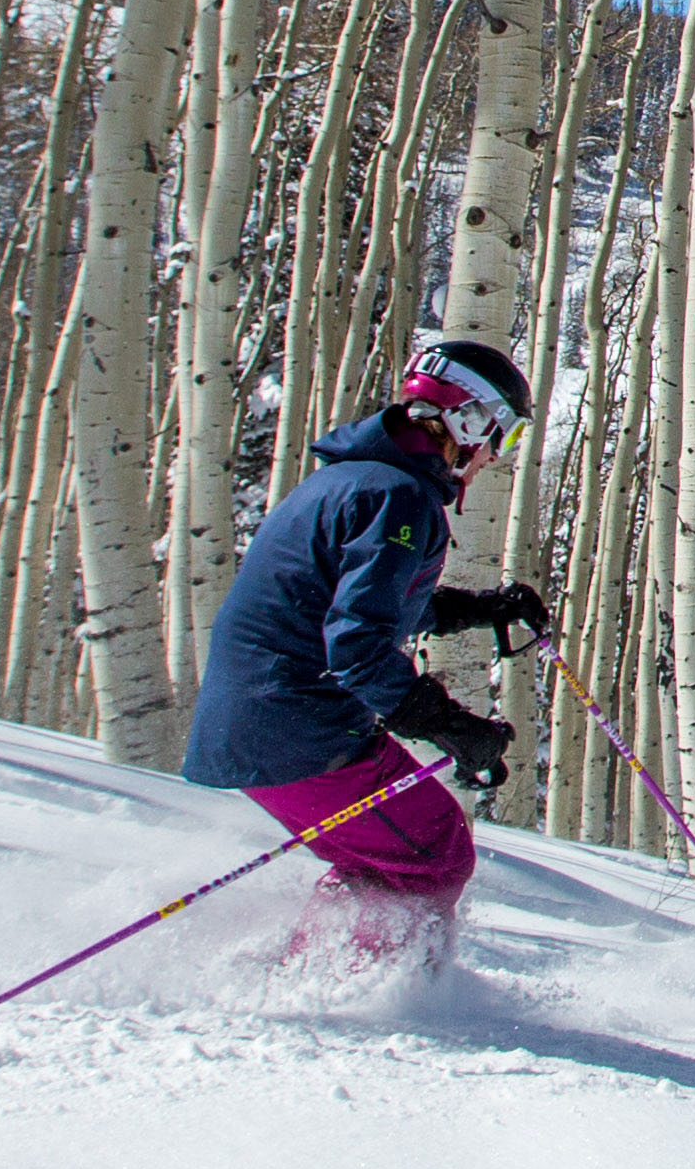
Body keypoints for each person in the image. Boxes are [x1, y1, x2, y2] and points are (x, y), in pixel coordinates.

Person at [176, 331, 555, 972]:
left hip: (261, 720)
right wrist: (451, 727)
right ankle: (356, 989)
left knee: (391, 851)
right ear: (468, 419)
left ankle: (310, 969)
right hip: (290, 725)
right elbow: (355, 643)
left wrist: (479, 609)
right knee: (431, 850)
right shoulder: (399, 498)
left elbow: (367, 602)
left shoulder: (360, 481)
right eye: (504, 435)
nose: (496, 456)